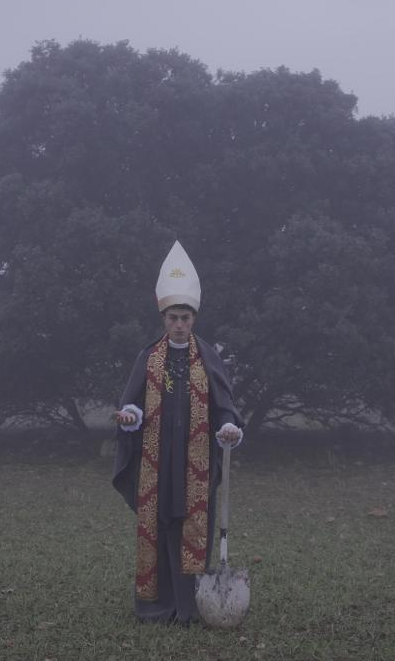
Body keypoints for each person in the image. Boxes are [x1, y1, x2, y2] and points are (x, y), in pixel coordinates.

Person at [112, 240, 244, 625]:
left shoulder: (207, 356)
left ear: (194, 318)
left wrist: (229, 427)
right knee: (158, 525)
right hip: (156, 463)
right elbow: (133, 402)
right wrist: (130, 417)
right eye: (173, 318)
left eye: (186, 318)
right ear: (163, 318)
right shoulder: (148, 356)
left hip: (194, 463)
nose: (180, 325)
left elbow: (224, 404)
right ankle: (156, 606)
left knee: (191, 525)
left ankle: (190, 607)